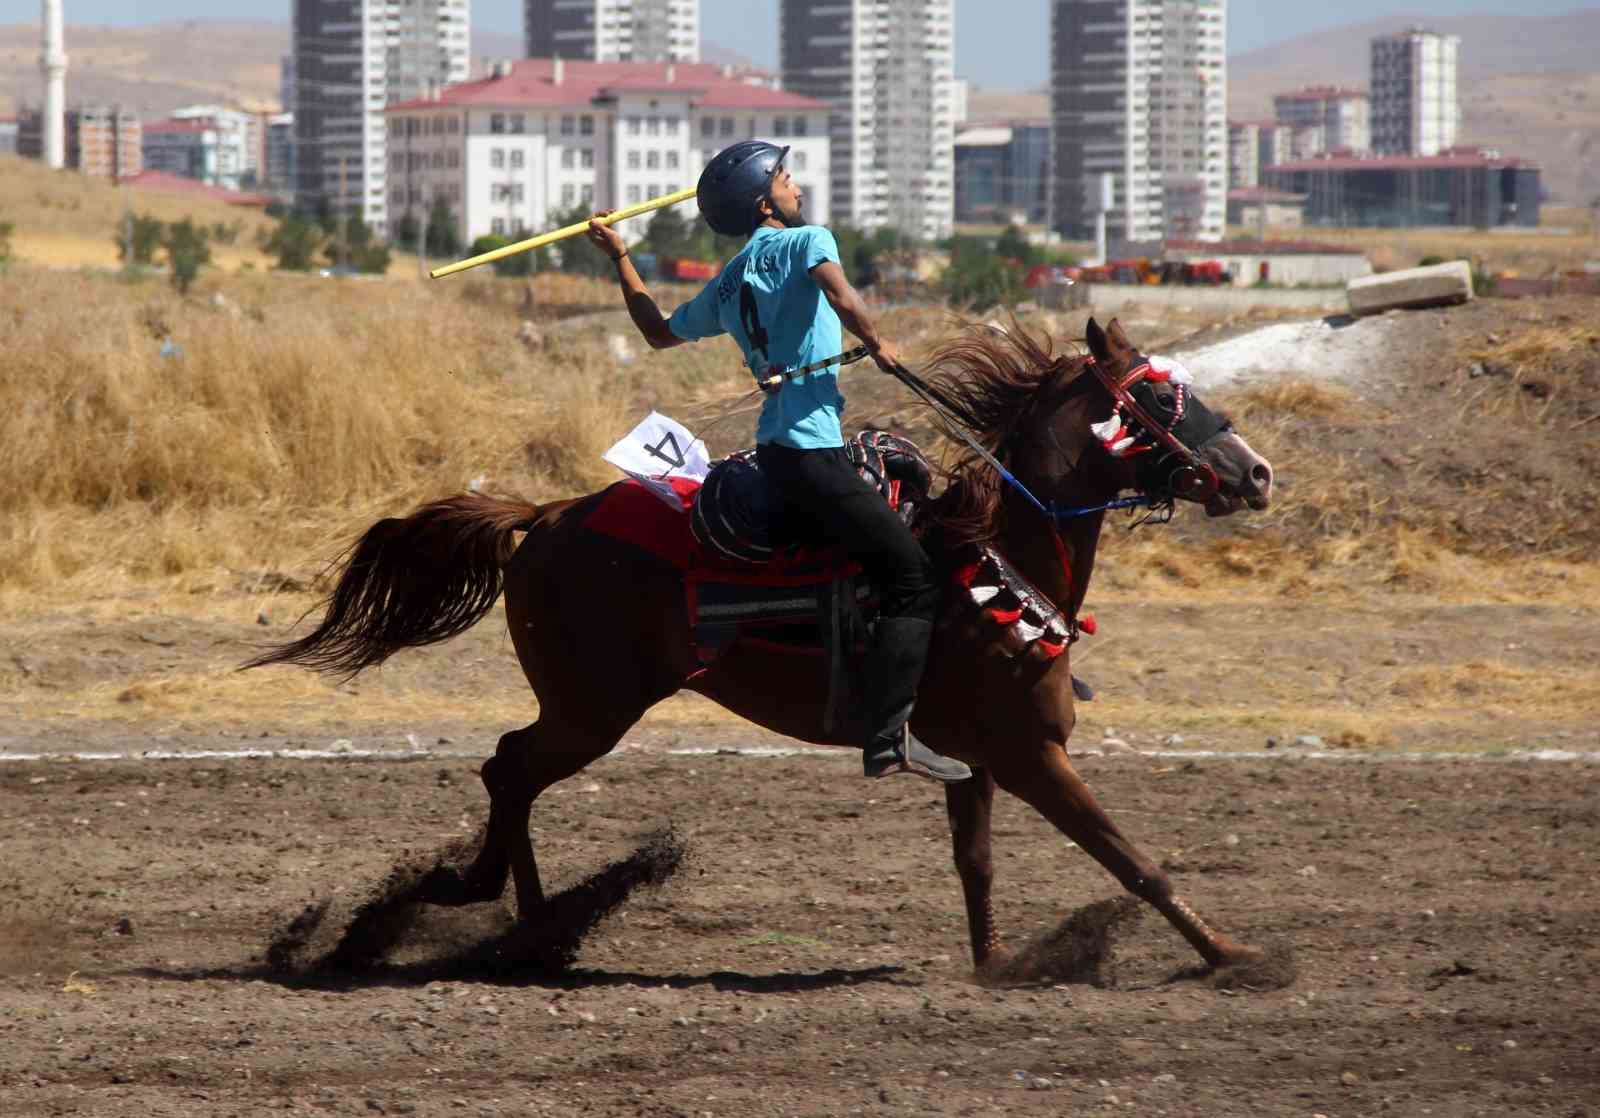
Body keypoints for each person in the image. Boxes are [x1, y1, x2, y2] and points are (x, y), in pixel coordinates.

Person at [585, 141, 971, 784]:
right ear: (765, 202)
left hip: (779, 453)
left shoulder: (730, 279)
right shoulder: (808, 240)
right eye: (787, 179)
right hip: (811, 454)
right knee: (914, 578)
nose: (798, 188)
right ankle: (887, 738)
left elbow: (656, 331)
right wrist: (878, 342)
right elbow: (840, 295)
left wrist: (620, 256)